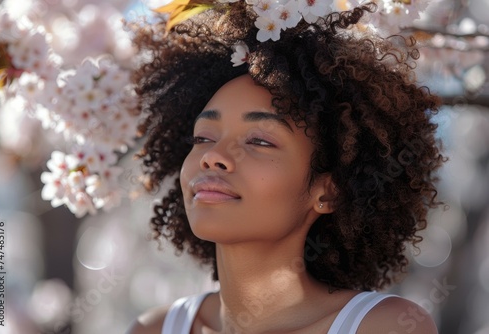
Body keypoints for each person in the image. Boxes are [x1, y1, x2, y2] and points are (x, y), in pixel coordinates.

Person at [127, 1, 444, 333]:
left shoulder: (383, 326)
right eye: (203, 137)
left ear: (329, 192)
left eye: (260, 141)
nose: (212, 155)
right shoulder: (155, 328)